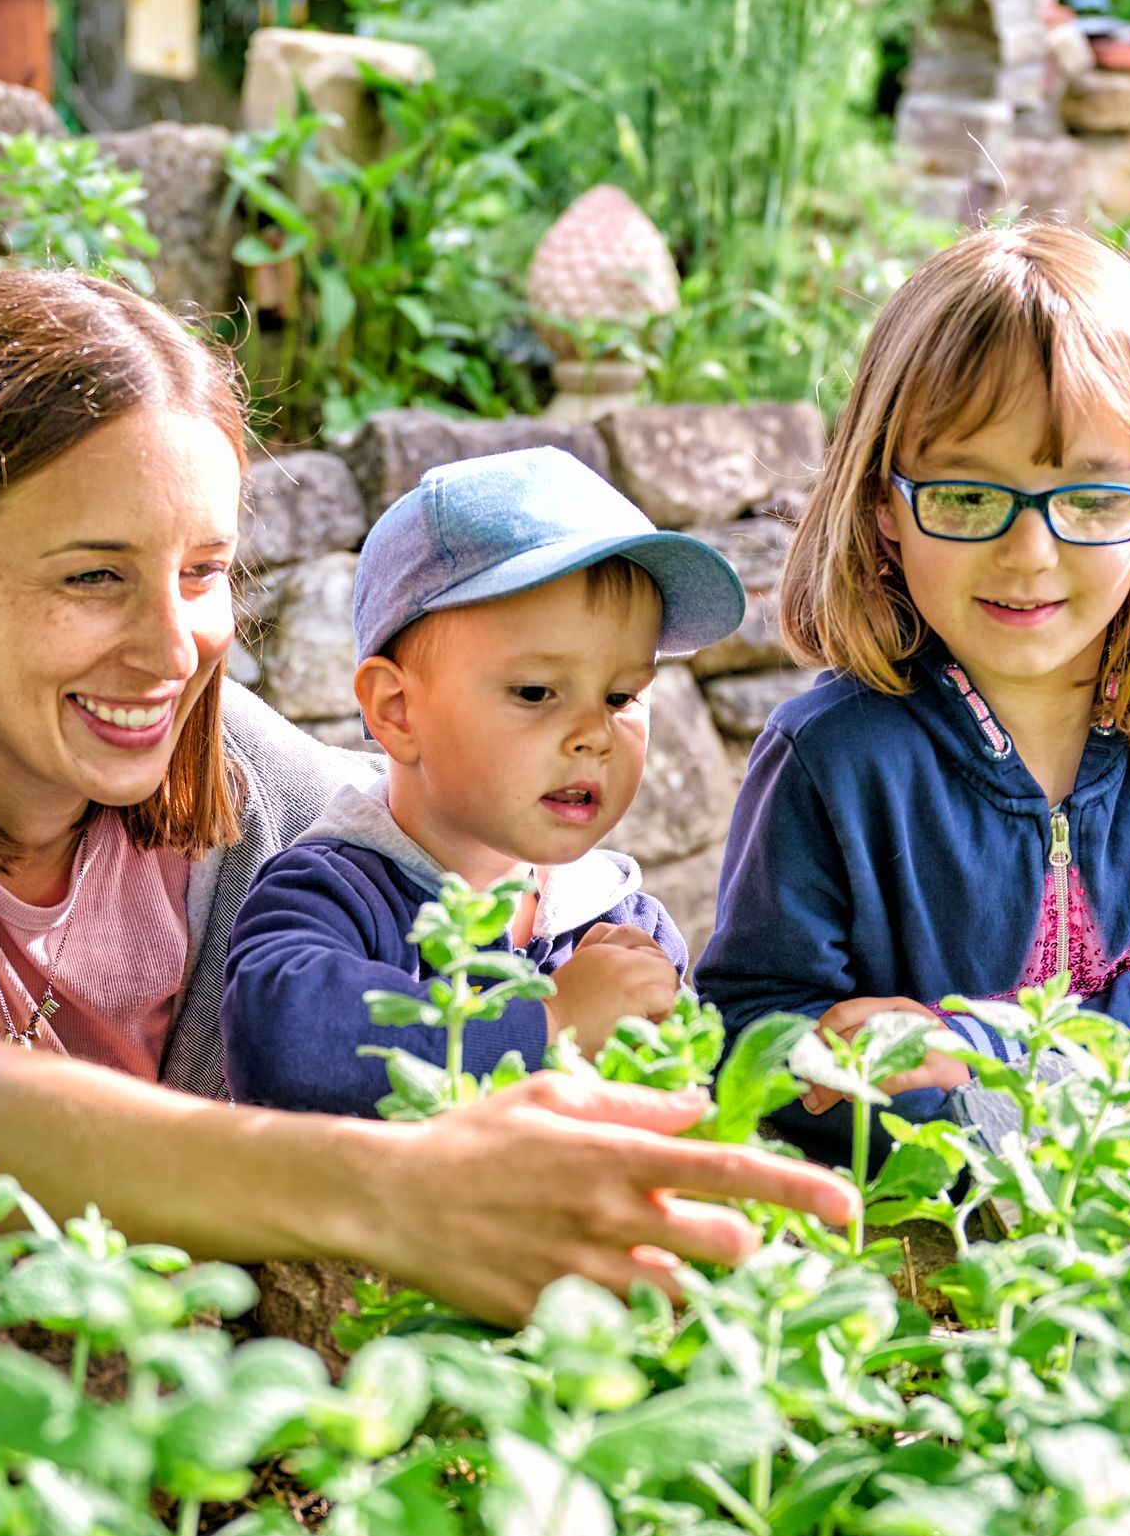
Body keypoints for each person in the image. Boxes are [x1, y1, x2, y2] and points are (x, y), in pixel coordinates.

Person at [0, 266, 853, 1314]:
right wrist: (383, 1190)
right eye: (92, 577)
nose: (170, 646)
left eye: (203, 571)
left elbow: (453, 820)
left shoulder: (264, 794)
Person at [696, 222, 1130, 1161]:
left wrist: (991, 1055)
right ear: (885, 507)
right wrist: (864, 1073)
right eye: (969, 497)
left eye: (1093, 499)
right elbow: (753, 1019)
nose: (1030, 557)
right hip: (916, 1218)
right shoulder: (831, 756)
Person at [221, 448, 745, 1116]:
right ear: (397, 710)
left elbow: (688, 1103)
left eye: (621, 696)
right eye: (536, 690)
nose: (595, 732)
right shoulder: (334, 893)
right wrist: (549, 1027)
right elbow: (284, 1045)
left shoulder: (622, 923)